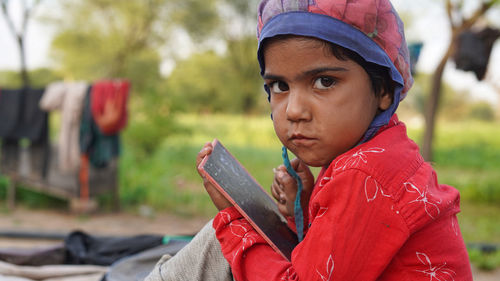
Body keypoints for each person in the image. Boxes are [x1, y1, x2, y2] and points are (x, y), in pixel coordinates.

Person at [146, 0, 473, 280]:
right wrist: (304, 209)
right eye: (279, 86)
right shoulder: (381, 153)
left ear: (384, 90)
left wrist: (234, 220)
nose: (294, 110)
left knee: (219, 244)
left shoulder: (367, 172)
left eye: (324, 81)